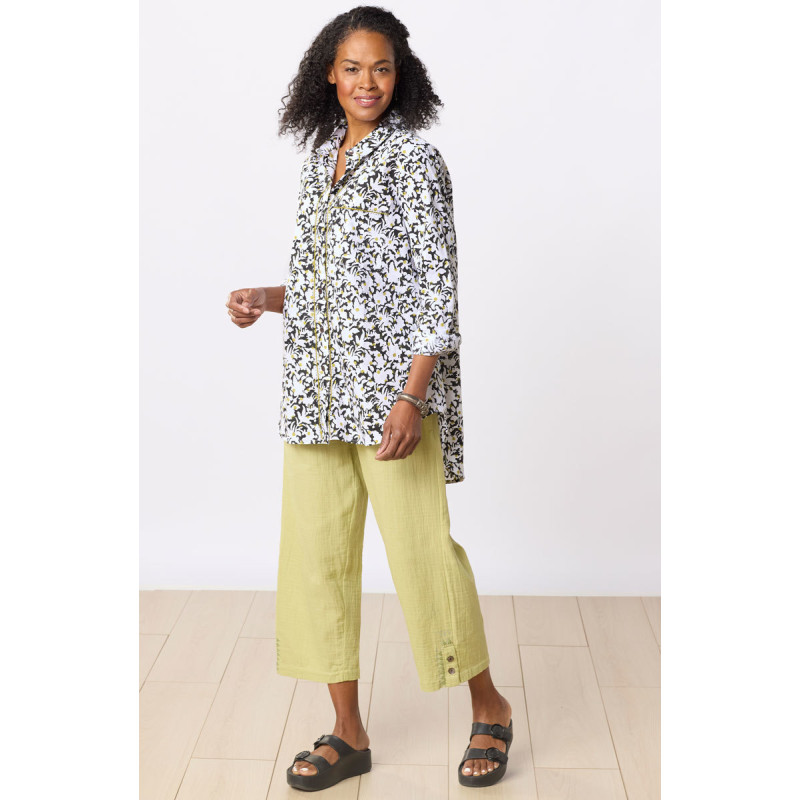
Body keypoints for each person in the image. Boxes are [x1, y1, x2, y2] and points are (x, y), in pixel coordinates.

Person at [226, 6, 512, 791]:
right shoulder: (321, 162)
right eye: (352, 68)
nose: (367, 82)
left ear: (399, 75)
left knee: (424, 557)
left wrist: (412, 397)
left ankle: (490, 706)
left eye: (381, 68)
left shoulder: (416, 161)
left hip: (392, 400)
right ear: (329, 73)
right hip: (315, 396)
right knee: (316, 562)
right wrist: (267, 297)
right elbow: (327, 286)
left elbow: (435, 291)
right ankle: (347, 731)